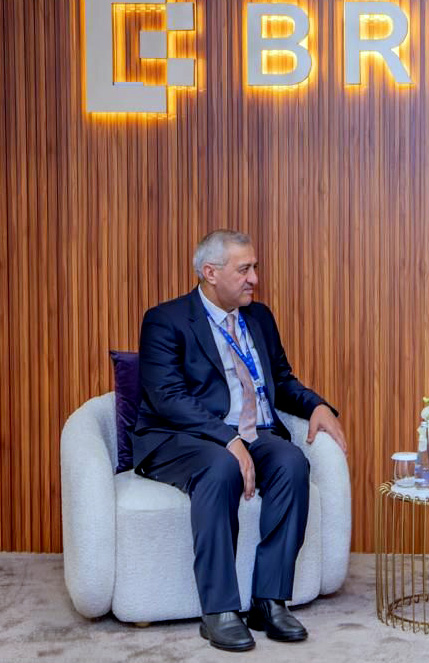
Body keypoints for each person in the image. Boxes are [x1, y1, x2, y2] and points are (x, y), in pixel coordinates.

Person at [132, 229, 347, 652]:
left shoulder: (259, 317)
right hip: (183, 436)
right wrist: (226, 439)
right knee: (220, 467)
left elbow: (281, 380)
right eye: (244, 269)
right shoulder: (165, 320)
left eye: (255, 268)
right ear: (210, 273)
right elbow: (167, 397)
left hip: (252, 432)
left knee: (291, 463)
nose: (254, 279)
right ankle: (219, 610)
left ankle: (269, 600)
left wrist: (317, 406)